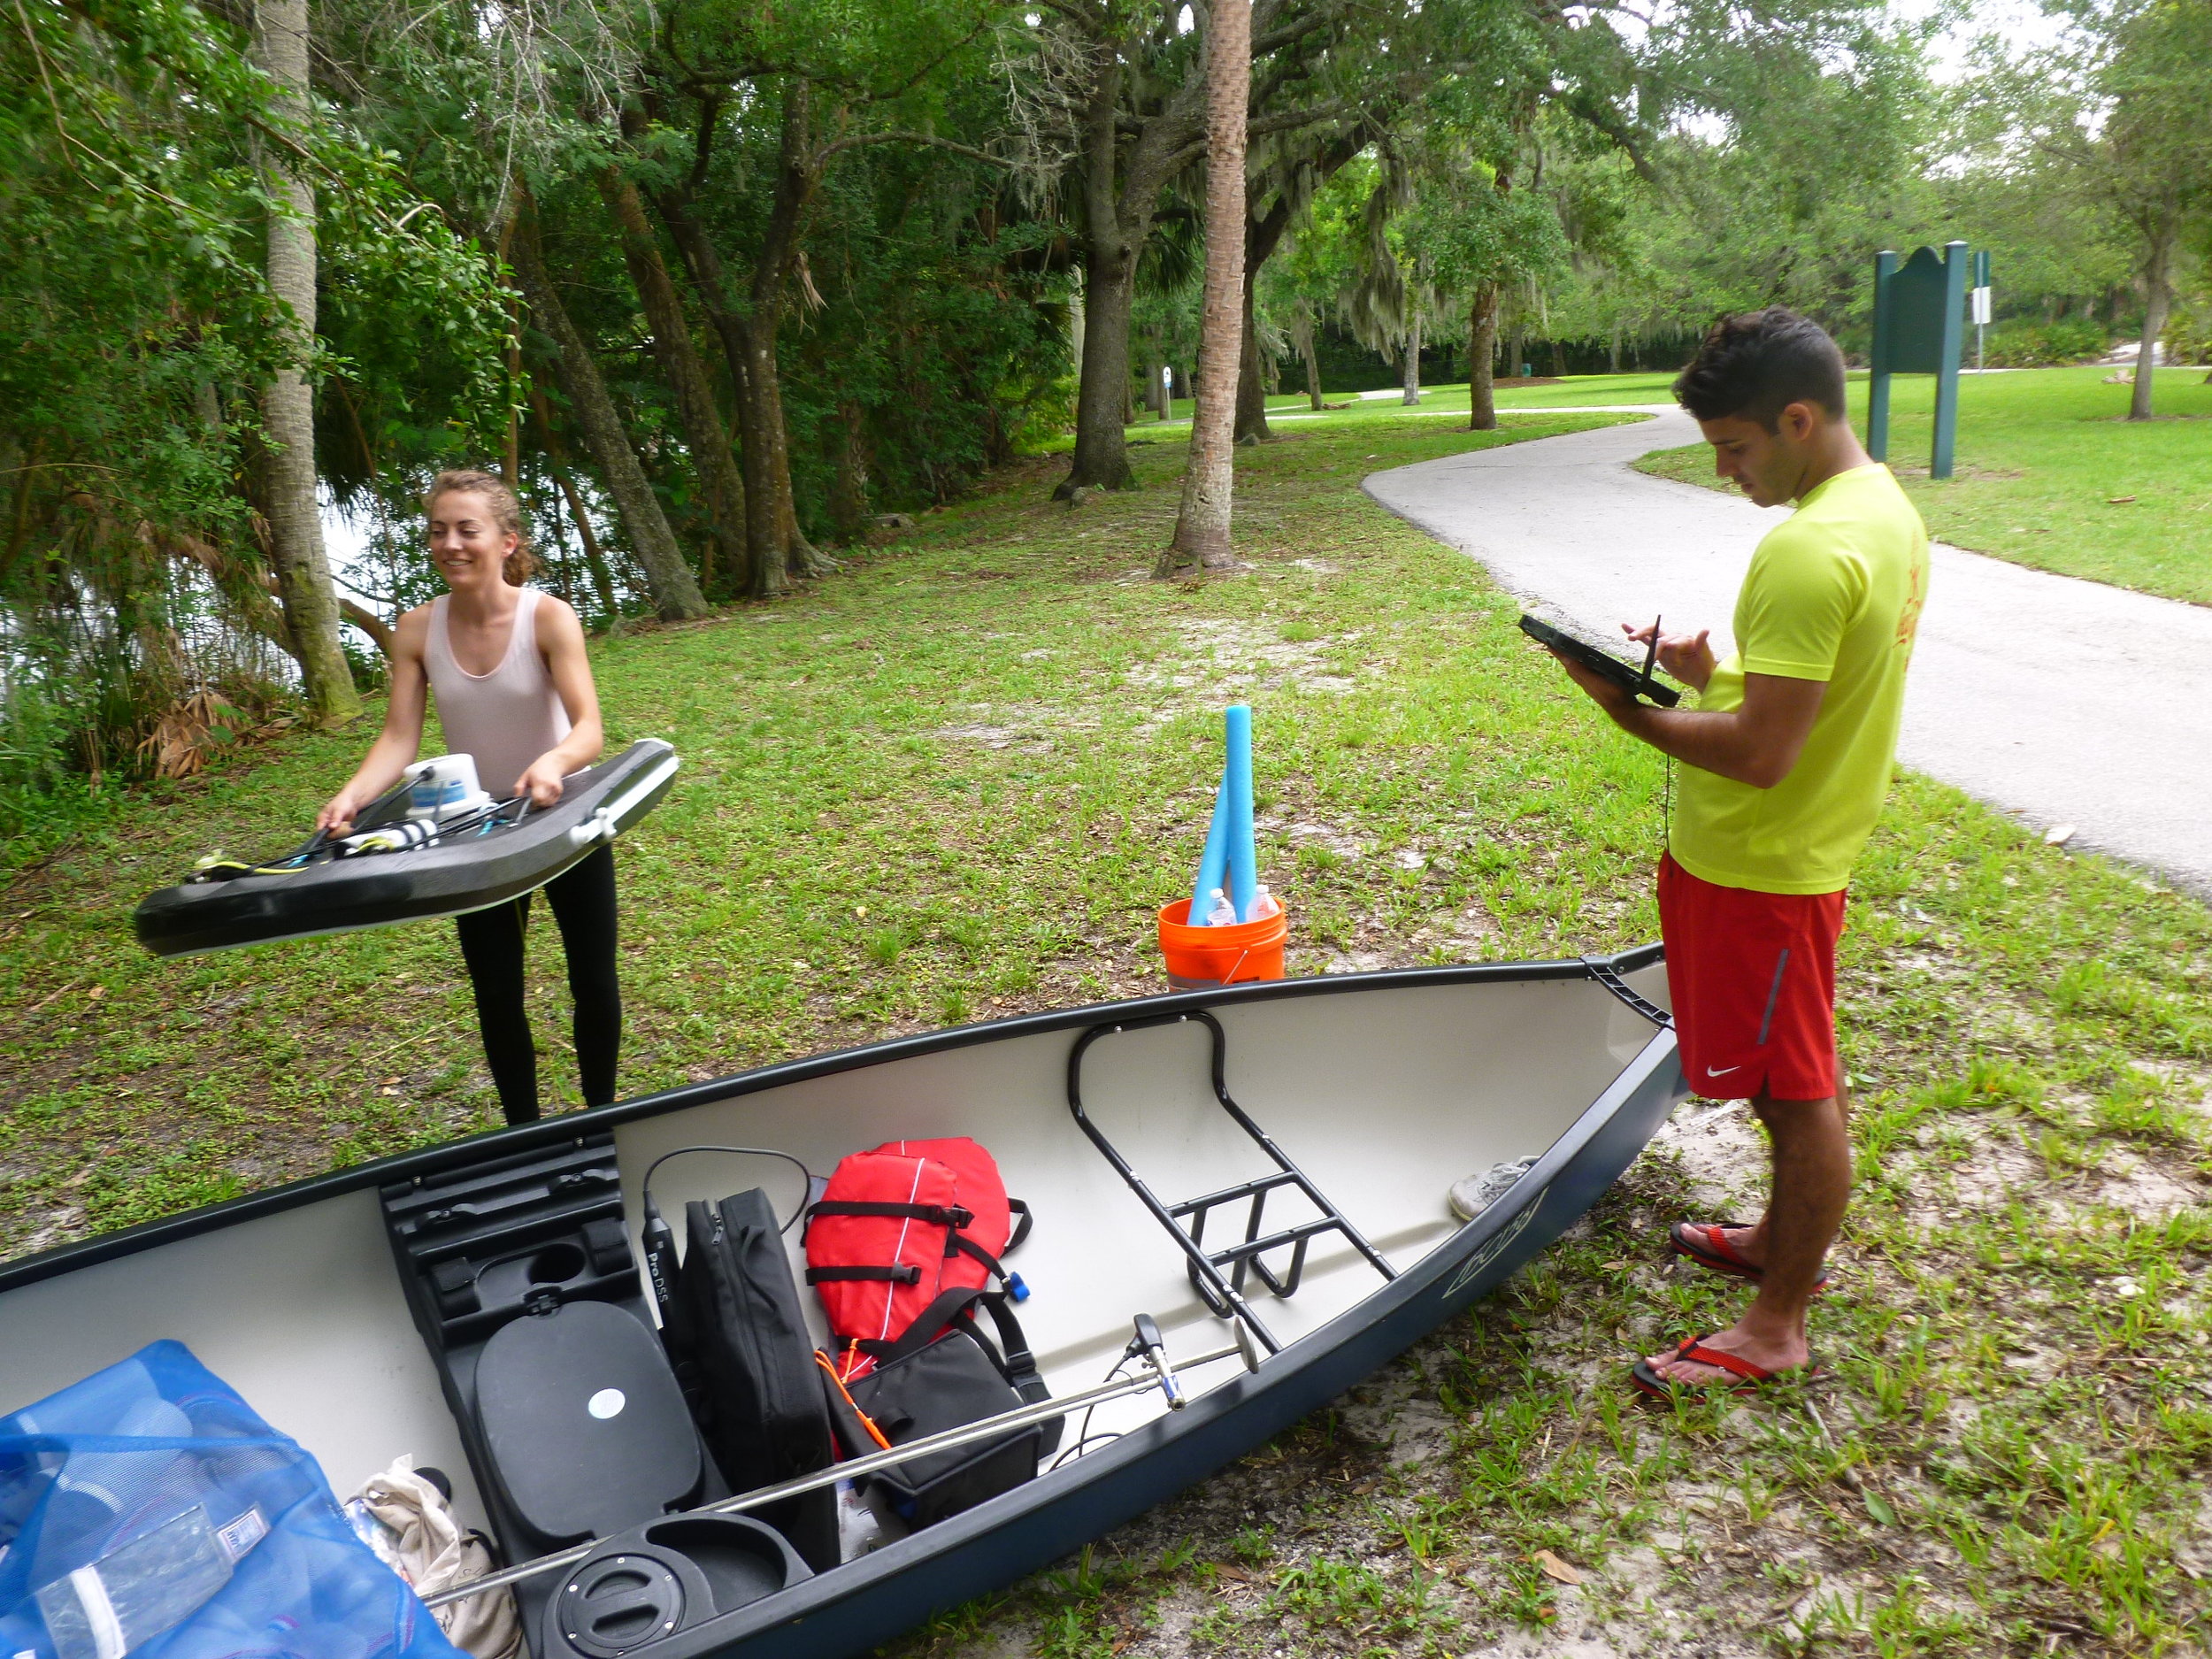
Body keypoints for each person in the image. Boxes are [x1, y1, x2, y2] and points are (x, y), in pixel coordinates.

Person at [1540, 308, 1927, 1394]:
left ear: (1797, 419)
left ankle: (1775, 1326)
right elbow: (1798, 708)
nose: (1723, 470)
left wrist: (1627, 711)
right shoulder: (1882, 511)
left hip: (1764, 867)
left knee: (1798, 1093)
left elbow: (1760, 756)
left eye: (1736, 446)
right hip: (1788, 855)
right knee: (1784, 1079)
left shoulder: (1805, 548)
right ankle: (1774, 1240)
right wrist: (1709, 674)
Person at [317, 469, 617, 1126]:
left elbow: (589, 727)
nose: (450, 542)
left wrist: (554, 761)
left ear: (507, 541)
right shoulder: (418, 629)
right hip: (477, 830)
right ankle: (523, 1133)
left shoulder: (548, 617)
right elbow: (399, 736)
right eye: (437, 530)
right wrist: (353, 795)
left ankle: (601, 1115)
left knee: (592, 977)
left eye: (466, 529)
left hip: (565, 814)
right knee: (497, 992)